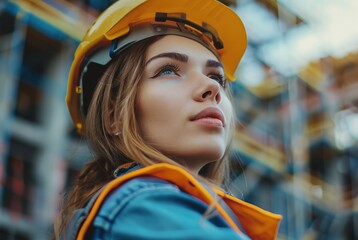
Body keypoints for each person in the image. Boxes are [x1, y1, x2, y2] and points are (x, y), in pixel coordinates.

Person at [55, 0, 282, 239]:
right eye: (168, 70)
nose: (212, 87)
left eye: (217, 77)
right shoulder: (142, 209)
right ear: (114, 114)